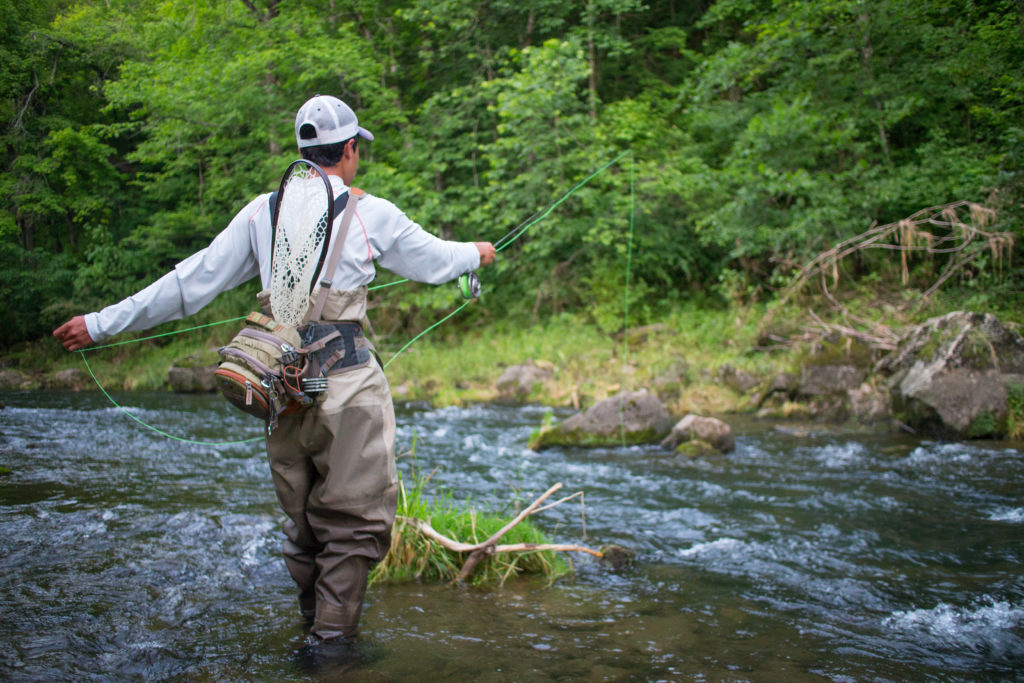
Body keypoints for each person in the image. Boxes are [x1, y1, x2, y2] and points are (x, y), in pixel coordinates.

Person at [53, 94, 496, 649]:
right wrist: (479, 252)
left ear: (303, 152)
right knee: (354, 526)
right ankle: (330, 649)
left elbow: (188, 284)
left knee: (305, 524)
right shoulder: (371, 213)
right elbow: (436, 261)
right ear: (350, 150)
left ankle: (310, 629)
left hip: (279, 389)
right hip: (348, 387)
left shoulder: (261, 212)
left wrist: (98, 324)